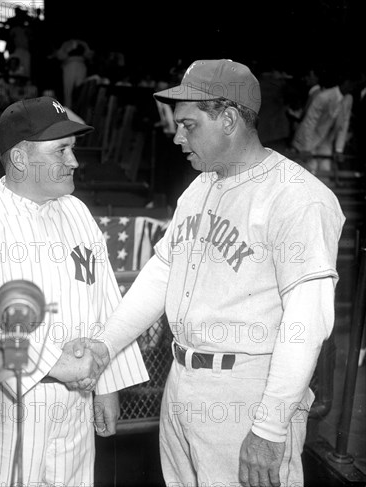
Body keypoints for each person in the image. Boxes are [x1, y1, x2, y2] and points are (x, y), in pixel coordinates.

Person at [76, 59, 346, 487]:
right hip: (183, 382)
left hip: (247, 391)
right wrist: (105, 347)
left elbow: (306, 322)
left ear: (228, 119)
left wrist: (271, 427)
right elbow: (161, 273)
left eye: (188, 124)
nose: (177, 136)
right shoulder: (201, 185)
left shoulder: (298, 198)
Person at [0, 96, 149, 487]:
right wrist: (59, 365)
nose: (74, 161)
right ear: (19, 159)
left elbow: (105, 302)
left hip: (75, 404)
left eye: (73, 149)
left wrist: (108, 385)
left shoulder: (77, 212)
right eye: (61, 150)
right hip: (0, 405)